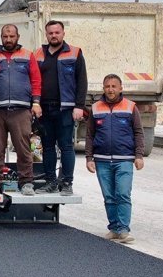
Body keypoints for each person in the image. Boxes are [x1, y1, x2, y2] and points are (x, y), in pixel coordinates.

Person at [86, 74, 145, 244]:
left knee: (123, 194)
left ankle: (124, 230)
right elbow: (90, 135)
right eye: (107, 86)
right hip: (102, 160)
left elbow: (139, 132)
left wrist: (139, 156)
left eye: (114, 86)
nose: (110, 89)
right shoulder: (96, 108)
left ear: (120, 88)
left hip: (124, 159)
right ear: (103, 88)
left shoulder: (130, 107)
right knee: (109, 196)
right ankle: (114, 228)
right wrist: (89, 157)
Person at [0, 24, 42, 195]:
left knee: (23, 148)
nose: (8, 39)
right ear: (1, 37)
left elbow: (36, 80)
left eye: (11, 36)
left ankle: (26, 182)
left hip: (21, 109)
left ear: (17, 37)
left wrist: (36, 102)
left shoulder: (27, 55)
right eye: (5, 36)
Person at [35, 20, 87, 196]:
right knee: (47, 146)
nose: (54, 35)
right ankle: (50, 182)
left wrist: (79, 106)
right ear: (46, 34)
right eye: (50, 33)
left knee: (66, 146)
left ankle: (66, 182)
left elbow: (82, 82)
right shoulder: (38, 54)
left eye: (57, 32)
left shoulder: (74, 53)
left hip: (66, 108)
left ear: (63, 33)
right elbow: (33, 81)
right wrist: (34, 104)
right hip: (44, 109)